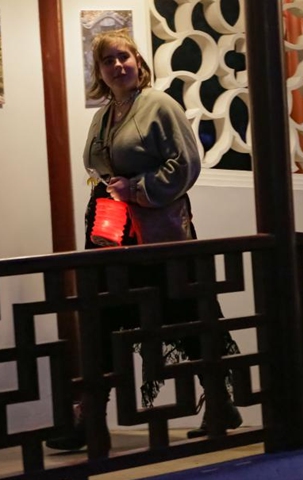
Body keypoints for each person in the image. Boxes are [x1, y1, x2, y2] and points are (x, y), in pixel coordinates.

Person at [46, 30, 241, 452]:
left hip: (161, 237)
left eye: (123, 57)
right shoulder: (104, 115)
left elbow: (186, 162)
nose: (117, 66)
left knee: (187, 318)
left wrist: (137, 189)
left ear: (138, 61)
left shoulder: (159, 104)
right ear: (98, 71)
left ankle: (220, 402)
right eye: (107, 61)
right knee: (100, 323)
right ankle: (90, 417)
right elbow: (98, 165)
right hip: (112, 237)